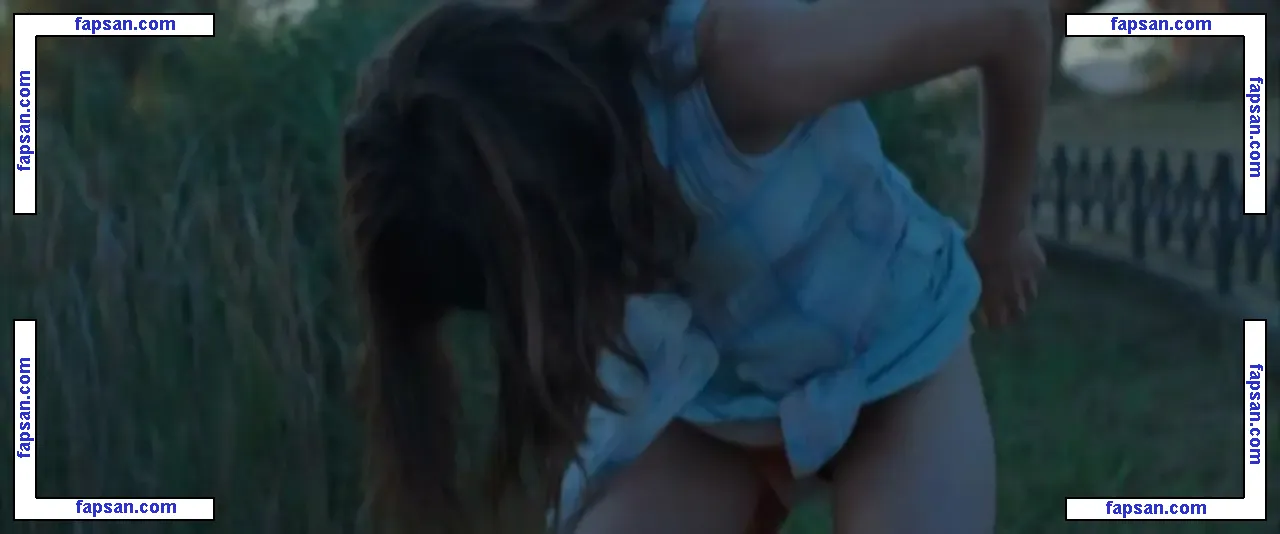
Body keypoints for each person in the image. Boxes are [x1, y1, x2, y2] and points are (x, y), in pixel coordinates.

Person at [340, 0, 1050, 532]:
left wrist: (1002, 231)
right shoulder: (518, 146)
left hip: (897, 355)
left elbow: (1011, 20)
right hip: (722, 405)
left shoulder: (743, 64)